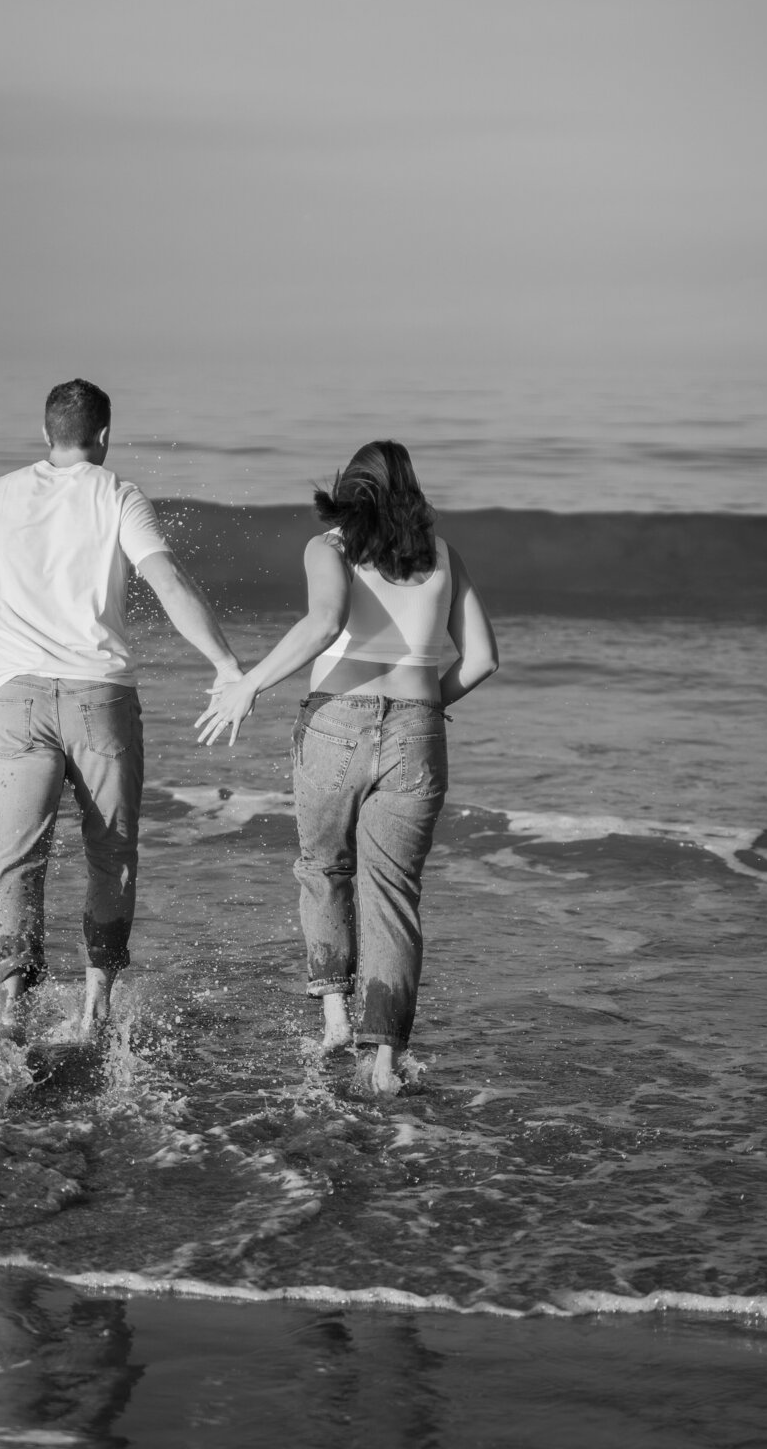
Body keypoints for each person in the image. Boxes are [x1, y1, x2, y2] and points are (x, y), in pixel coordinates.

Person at [0, 377, 241, 1039]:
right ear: (103, 435)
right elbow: (166, 580)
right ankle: (96, 1009)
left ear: (45, 432)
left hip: (16, 699)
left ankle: (10, 1008)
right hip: (99, 699)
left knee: (16, 857)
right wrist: (226, 666)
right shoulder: (118, 495)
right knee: (112, 853)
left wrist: (17, 588)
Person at [195, 441, 498, 1093]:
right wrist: (416, 712)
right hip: (419, 733)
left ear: (348, 488)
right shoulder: (444, 556)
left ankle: (335, 1020)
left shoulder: (329, 548)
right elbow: (481, 659)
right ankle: (383, 1062)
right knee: (392, 896)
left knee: (325, 868)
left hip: (335, 722)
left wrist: (250, 685)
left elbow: (326, 621)